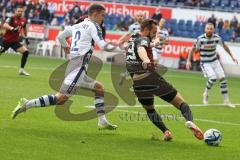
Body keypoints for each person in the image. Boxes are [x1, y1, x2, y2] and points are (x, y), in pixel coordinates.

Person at [12, 4, 122, 129]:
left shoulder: (76, 26)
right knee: (61, 99)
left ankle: (102, 122)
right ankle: (28, 104)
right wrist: (121, 49)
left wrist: (65, 46)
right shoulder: (94, 25)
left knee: (99, 88)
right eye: (103, 15)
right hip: (79, 67)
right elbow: (102, 45)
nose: (104, 18)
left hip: (74, 64)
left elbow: (60, 36)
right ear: (95, 13)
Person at [126, 19, 204, 141]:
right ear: (146, 30)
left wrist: (156, 39)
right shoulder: (143, 40)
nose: (155, 34)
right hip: (151, 78)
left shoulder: (133, 38)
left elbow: (147, 44)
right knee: (181, 103)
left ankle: (166, 131)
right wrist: (146, 59)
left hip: (138, 83)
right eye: (154, 31)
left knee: (150, 110)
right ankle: (189, 121)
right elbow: (142, 48)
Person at [186, 23, 238, 108]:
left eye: (211, 29)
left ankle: (226, 101)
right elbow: (192, 49)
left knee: (223, 79)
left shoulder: (217, 38)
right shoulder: (200, 39)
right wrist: (188, 61)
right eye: (208, 28)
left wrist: (232, 57)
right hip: (205, 63)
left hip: (215, 62)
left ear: (213, 30)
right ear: (205, 29)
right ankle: (206, 93)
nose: (209, 30)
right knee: (213, 78)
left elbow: (225, 46)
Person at [0, 5, 30, 76]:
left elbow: (24, 29)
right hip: (5, 41)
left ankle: (21, 70)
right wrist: (12, 28)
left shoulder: (24, 20)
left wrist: (26, 38)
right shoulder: (12, 18)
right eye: (18, 11)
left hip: (14, 42)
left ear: (23, 12)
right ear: (16, 11)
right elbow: (5, 25)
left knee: (26, 52)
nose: (19, 12)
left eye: (21, 11)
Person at [117, 12, 144, 86]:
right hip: (134, 47)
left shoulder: (146, 25)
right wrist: (120, 39)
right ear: (135, 17)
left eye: (141, 16)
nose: (140, 17)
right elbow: (128, 34)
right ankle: (135, 83)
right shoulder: (132, 26)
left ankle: (125, 75)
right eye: (138, 16)